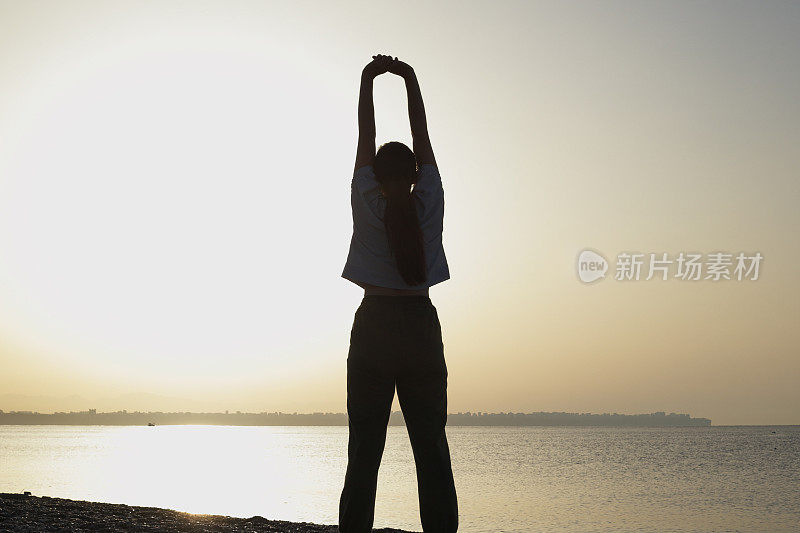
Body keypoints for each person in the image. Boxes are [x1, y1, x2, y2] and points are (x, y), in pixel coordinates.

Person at [338, 54, 458, 533]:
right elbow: (423, 132)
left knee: (364, 452)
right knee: (431, 450)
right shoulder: (428, 197)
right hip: (420, 327)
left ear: (377, 175)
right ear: (413, 173)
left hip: (374, 327)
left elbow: (364, 135)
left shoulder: (367, 199)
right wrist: (409, 78)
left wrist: (369, 79)